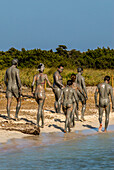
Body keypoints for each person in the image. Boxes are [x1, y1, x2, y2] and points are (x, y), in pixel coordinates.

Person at [31, 63, 53, 128]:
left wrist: (32, 91)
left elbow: (32, 84)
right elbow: (49, 83)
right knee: (40, 108)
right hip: (41, 92)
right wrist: (53, 87)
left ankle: (43, 123)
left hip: (36, 93)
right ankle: (37, 123)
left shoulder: (35, 76)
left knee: (41, 108)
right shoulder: (45, 75)